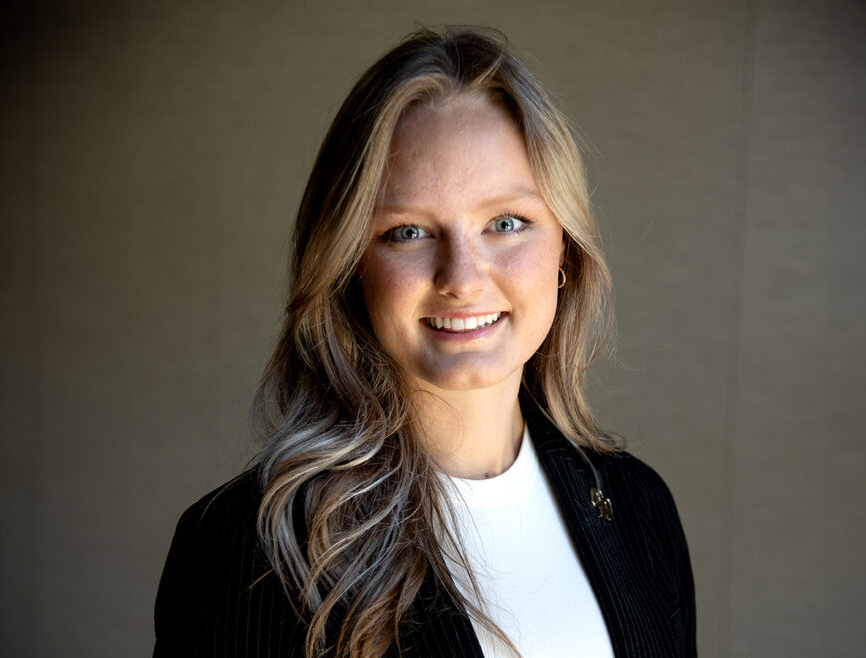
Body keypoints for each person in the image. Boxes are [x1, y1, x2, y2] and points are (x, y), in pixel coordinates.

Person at [154, 26, 695, 658]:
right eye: (408, 232)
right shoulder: (253, 549)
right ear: (350, 267)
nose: (462, 279)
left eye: (506, 223)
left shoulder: (637, 506)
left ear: (564, 252)